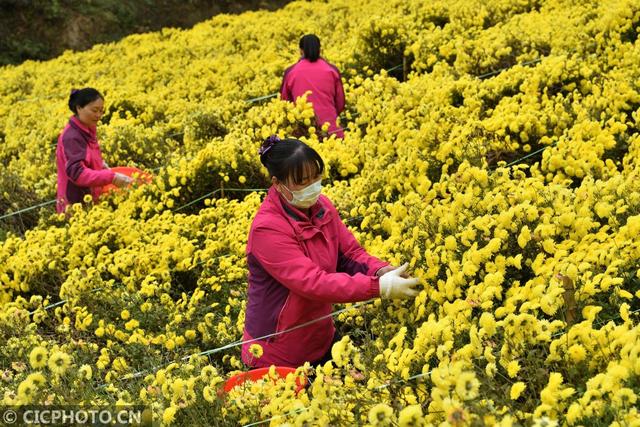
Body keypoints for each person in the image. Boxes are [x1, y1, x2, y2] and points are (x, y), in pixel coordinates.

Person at [241, 136, 420, 368]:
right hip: (278, 355)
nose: (313, 186)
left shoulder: (321, 207)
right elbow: (313, 283)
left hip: (321, 339)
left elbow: (350, 254)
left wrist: (381, 270)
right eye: (302, 181)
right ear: (277, 183)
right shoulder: (267, 229)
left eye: (316, 177)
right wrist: (379, 287)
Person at [56, 88, 131, 213]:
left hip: (90, 199)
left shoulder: (87, 128)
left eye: (101, 111)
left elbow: (88, 157)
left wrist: (100, 164)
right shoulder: (72, 137)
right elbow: (78, 174)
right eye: (94, 110)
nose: (98, 115)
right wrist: (111, 177)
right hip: (75, 205)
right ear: (79, 108)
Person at [280, 34, 346, 138]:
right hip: (332, 130)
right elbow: (340, 103)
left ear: (301, 50)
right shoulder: (331, 70)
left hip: (302, 133)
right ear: (320, 49)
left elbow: (285, 103)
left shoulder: (291, 72)